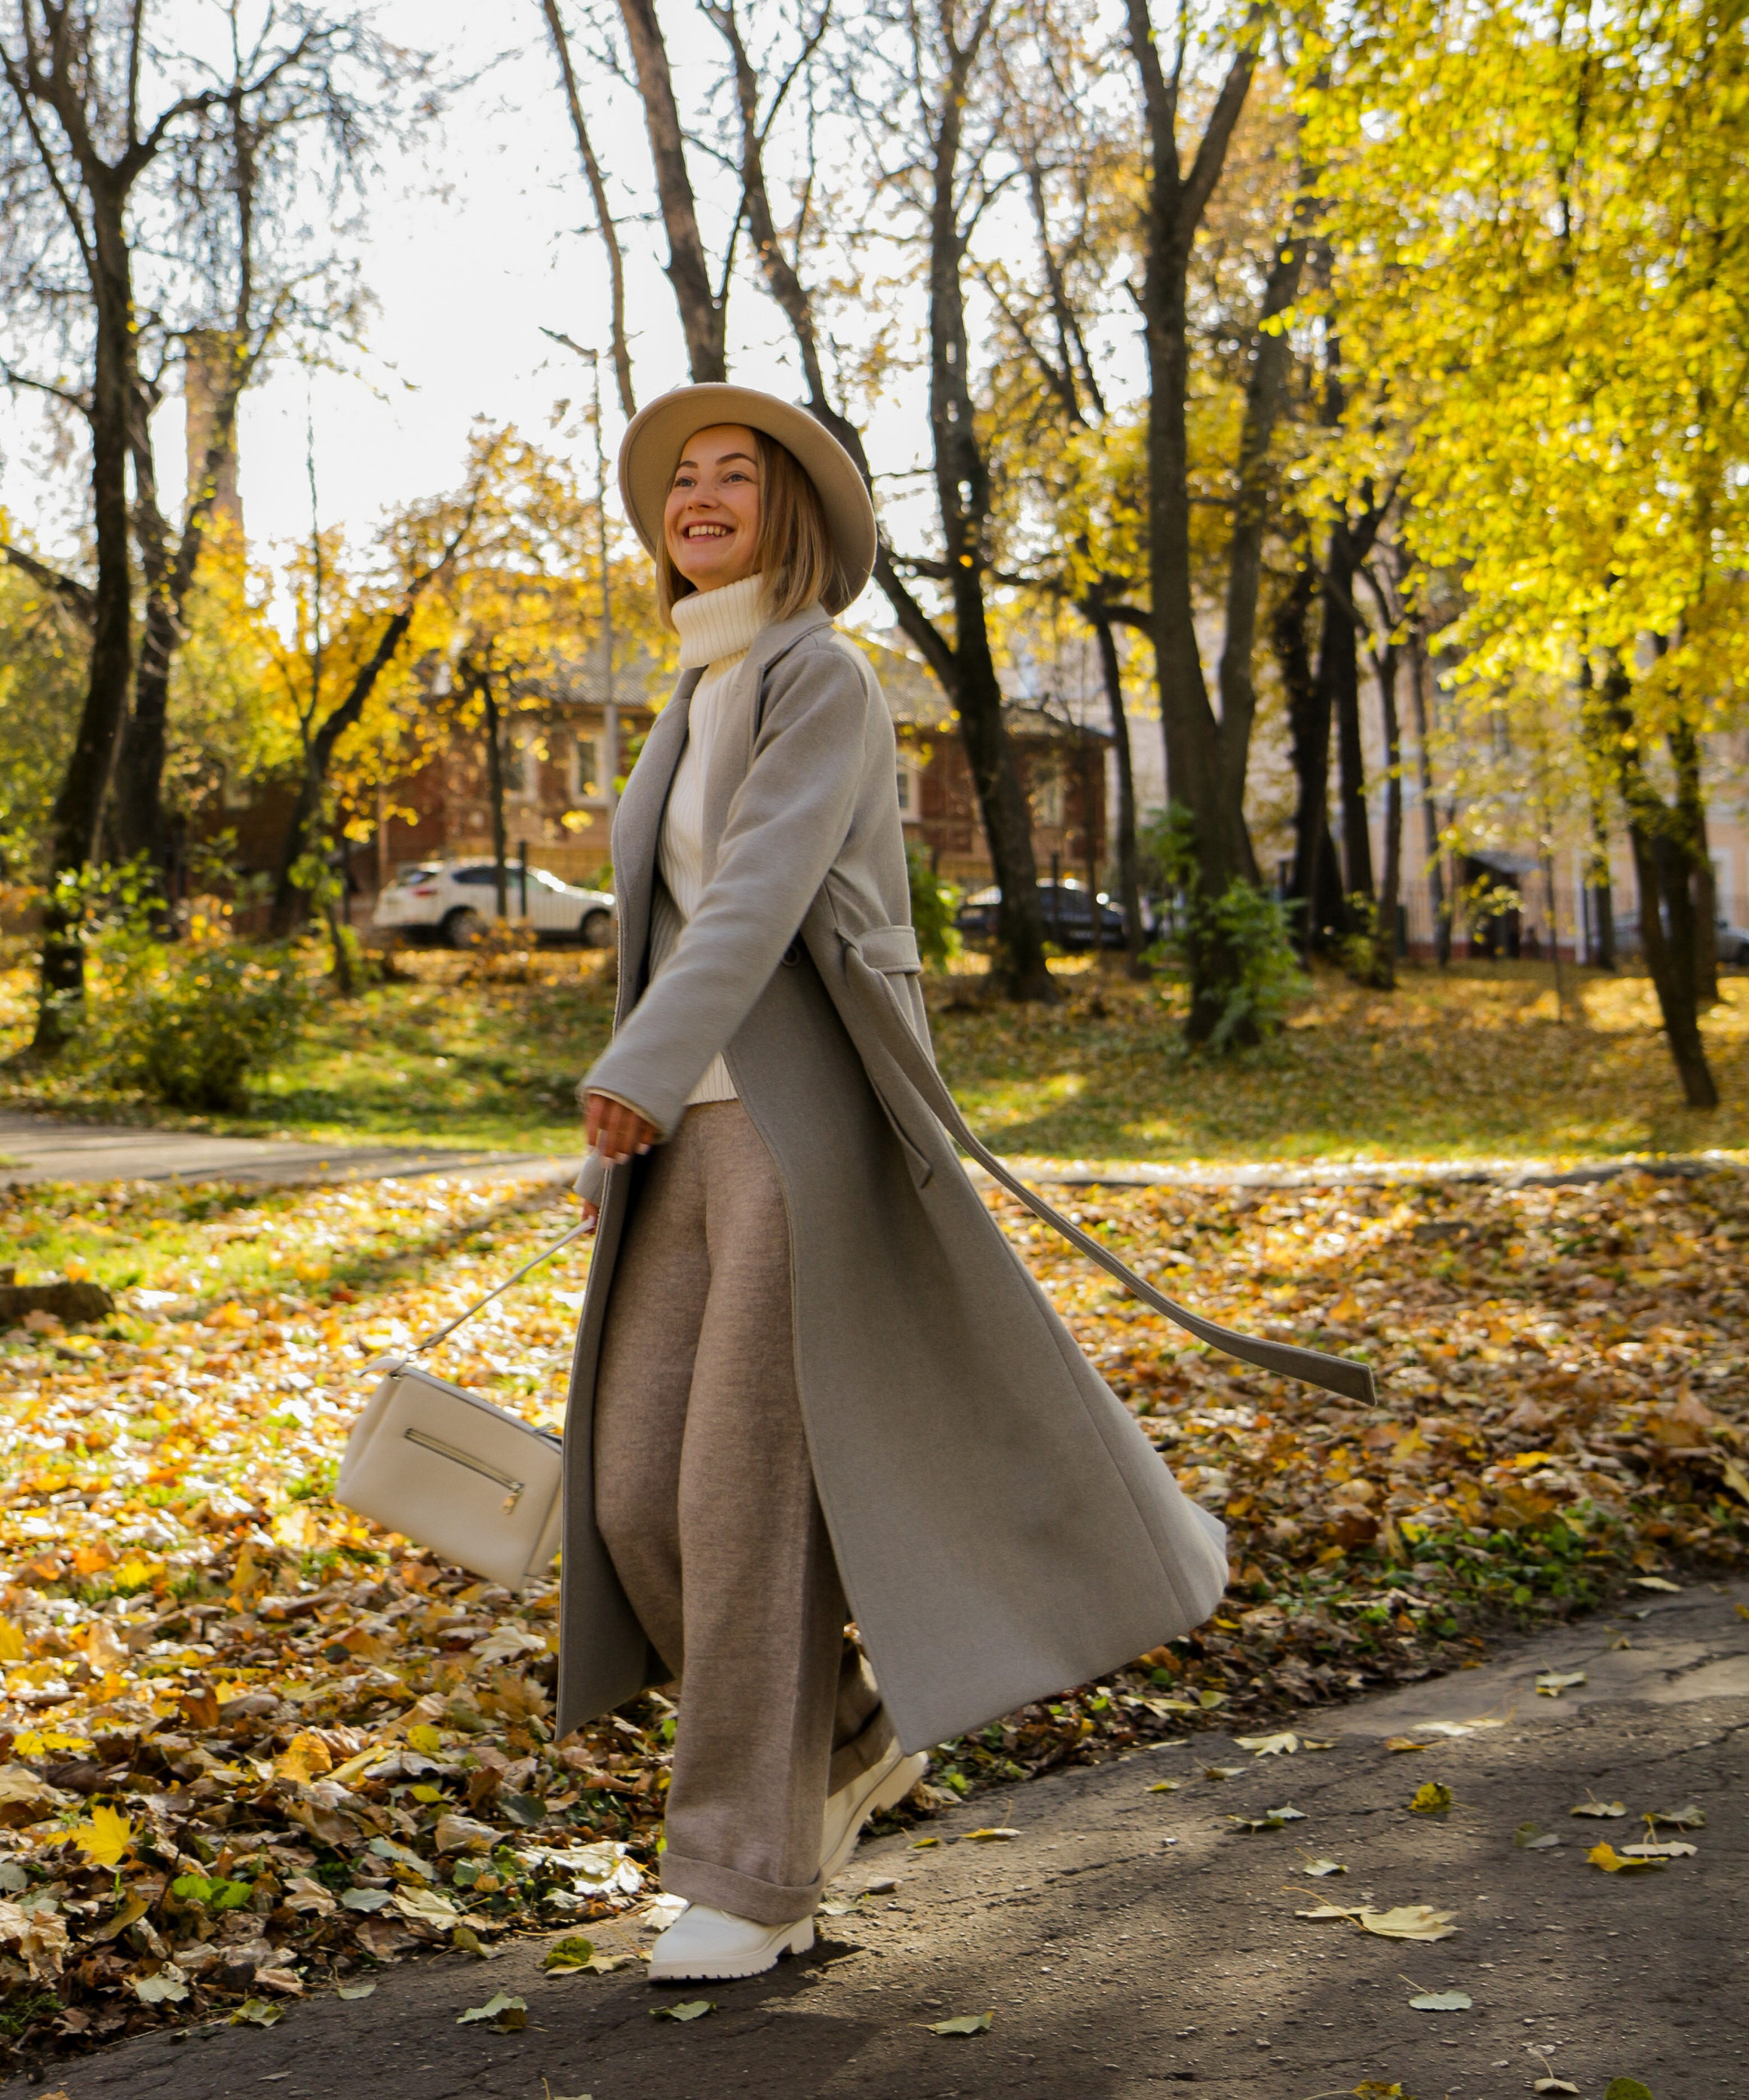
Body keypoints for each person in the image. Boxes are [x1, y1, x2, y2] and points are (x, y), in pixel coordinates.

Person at [554, 383, 1357, 1988]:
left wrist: (632, 1076)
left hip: (798, 1135)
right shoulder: (689, 694)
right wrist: (619, 1126)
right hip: (680, 1151)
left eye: (735, 477)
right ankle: (846, 1737)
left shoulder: (817, 682)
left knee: (741, 1496)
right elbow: (660, 926)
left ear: (794, 518)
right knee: (634, 1492)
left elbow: (761, 900)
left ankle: (748, 1870)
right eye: (681, 480)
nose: (698, 496)